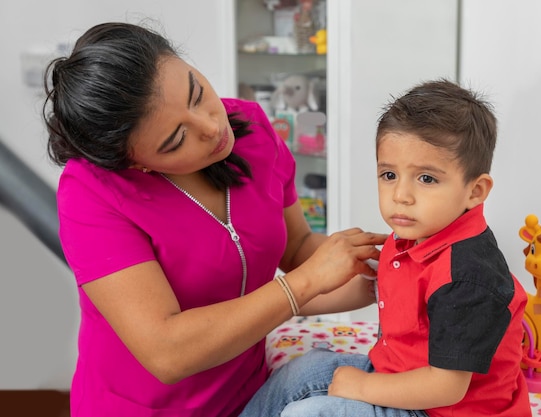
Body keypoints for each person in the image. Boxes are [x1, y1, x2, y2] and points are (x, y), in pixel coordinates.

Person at [42, 22, 387, 417]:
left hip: (248, 395)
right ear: (135, 162)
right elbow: (167, 351)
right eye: (175, 140)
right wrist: (303, 283)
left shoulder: (253, 128)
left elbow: (297, 250)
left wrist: (389, 271)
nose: (211, 127)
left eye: (197, 93)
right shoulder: (93, 193)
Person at [240, 79, 532, 417]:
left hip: (444, 408)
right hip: (399, 377)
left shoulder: (468, 276)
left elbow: (447, 387)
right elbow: (372, 286)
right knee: (302, 372)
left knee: (307, 414)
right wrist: (274, 305)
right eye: (389, 175)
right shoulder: (414, 234)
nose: (400, 196)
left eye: (426, 179)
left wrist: (362, 387)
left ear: (475, 191)